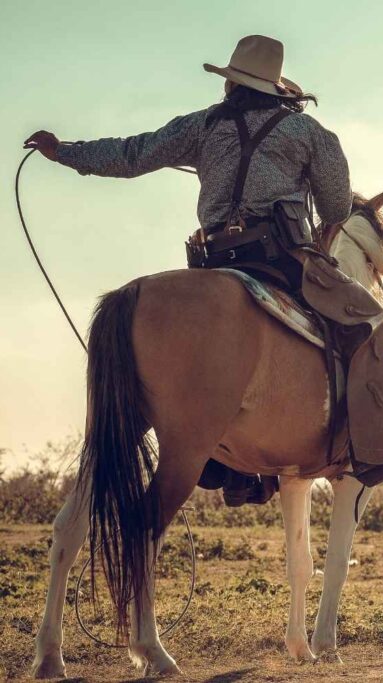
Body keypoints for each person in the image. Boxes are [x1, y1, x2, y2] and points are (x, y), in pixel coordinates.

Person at [24, 35, 352, 505]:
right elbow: (337, 207)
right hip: (280, 260)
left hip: (212, 259)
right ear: (276, 89)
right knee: (368, 324)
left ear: (231, 84)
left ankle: (228, 463)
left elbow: (132, 154)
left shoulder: (203, 125)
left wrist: (64, 151)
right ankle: (373, 445)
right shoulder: (307, 132)